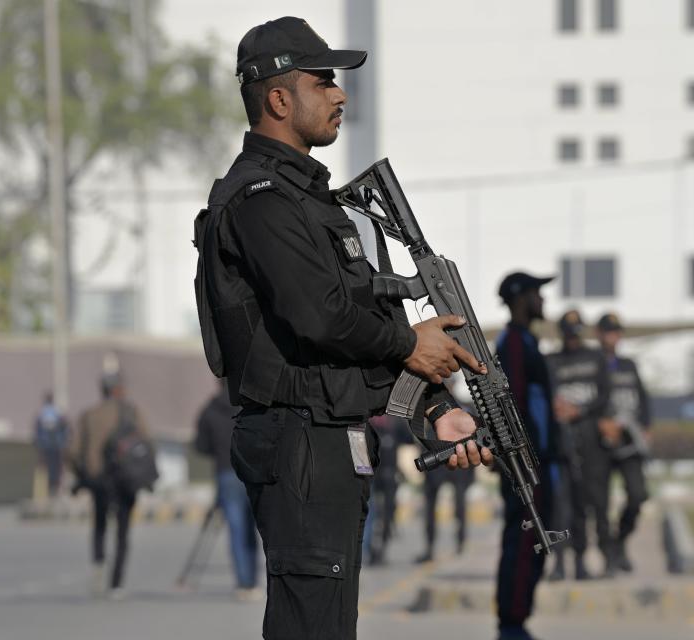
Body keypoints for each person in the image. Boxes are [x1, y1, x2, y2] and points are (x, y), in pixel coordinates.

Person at [194, 17, 492, 639]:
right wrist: (413, 343)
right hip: (299, 440)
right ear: (279, 98)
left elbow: (354, 326)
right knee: (313, 626)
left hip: (329, 439)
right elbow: (320, 317)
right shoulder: (261, 201)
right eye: (324, 80)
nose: (339, 94)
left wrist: (434, 409)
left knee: (329, 625)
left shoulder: (314, 202)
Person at [492, 272, 561, 640]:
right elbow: (512, 404)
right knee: (522, 544)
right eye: (538, 293)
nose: (543, 301)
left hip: (539, 465)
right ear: (521, 298)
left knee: (534, 546)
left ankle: (517, 621)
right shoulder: (514, 343)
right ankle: (512, 625)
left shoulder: (527, 341)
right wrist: (523, 462)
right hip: (526, 467)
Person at [67, 371, 153, 599]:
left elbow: (73, 451)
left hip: (99, 480)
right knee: (123, 532)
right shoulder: (132, 412)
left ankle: (98, 565)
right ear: (118, 390)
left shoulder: (89, 415)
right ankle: (116, 584)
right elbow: (147, 444)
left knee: (99, 525)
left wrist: (83, 474)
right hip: (126, 478)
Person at [547, 309, 613, 580]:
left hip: (591, 445)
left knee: (586, 505)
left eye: (576, 335)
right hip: (559, 444)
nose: (573, 339)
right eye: (568, 335)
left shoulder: (595, 357)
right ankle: (559, 562)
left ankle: (582, 561)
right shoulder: (550, 360)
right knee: (559, 506)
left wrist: (580, 410)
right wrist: (556, 408)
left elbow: (605, 396)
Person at [596, 312, 650, 573]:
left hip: (629, 442)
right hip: (600, 444)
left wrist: (647, 427)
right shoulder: (592, 362)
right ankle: (608, 557)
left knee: (638, 495)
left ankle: (620, 542)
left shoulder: (628, 365)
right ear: (599, 334)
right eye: (609, 332)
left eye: (617, 332)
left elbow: (643, 396)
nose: (613, 337)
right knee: (600, 504)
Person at [194, 380, 259, 598]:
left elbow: (200, 446)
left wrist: (219, 450)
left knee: (236, 529)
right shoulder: (251, 405)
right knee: (253, 528)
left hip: (226, 472)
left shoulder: (210, 409)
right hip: (251, 472)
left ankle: (243, 583)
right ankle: (253, 580)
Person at [362, 413, 408, 566]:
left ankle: (382, 549)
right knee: (369, 513)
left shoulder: (395, 422)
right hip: (372, 475)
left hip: (389, 474)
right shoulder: (369, 421)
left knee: (388, 514)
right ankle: (368, 550)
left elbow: (408, 438)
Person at [33, 391, 69, 497]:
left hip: (46, 446)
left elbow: (37, 431)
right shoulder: (57, 413)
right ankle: (54, 489)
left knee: (47, 468)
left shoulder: (41, 413)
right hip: (56, 445)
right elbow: (65, 428)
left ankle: (50, 489)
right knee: (56, 468)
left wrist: (39, 444)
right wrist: (63, 442)